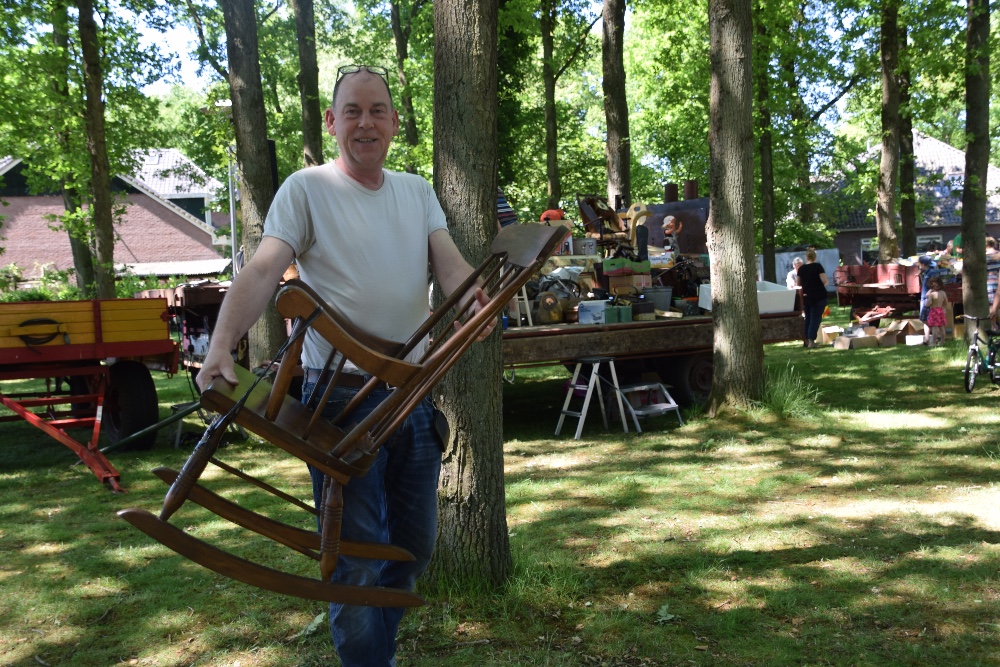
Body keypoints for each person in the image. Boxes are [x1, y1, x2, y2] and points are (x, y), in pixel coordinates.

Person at [195, 64, 494, 667]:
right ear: (332, 122)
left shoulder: (416, 191)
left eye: (377, 110)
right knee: (356, 560)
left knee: (412, 550)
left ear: (393, 122)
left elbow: (452, 265)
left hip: (412, 403)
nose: (366, 122)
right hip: (341, 406)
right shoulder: (306, 190)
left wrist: (474, 302)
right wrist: (222, 342)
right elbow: (260, 270)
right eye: (352, 111)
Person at [796, 249, 828, 348]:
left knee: (808, 319)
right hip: (818, 296)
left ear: (807, 257)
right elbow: (824, 280)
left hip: (806, 297)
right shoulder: (818, 267)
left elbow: (798, 283)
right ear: (815, 257)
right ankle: (811, 342)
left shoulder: (801, 269)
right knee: (815, 318)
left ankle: (806, 340)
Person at [924, 277, 949, 346]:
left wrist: (928, 298)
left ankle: (934, 343)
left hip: (934, 311)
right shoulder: (943, 293)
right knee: (942, 327)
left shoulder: (932, 294)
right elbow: (946, 302)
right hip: (940, 310)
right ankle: (942, 342)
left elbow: (927, 304)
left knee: (934, 327)